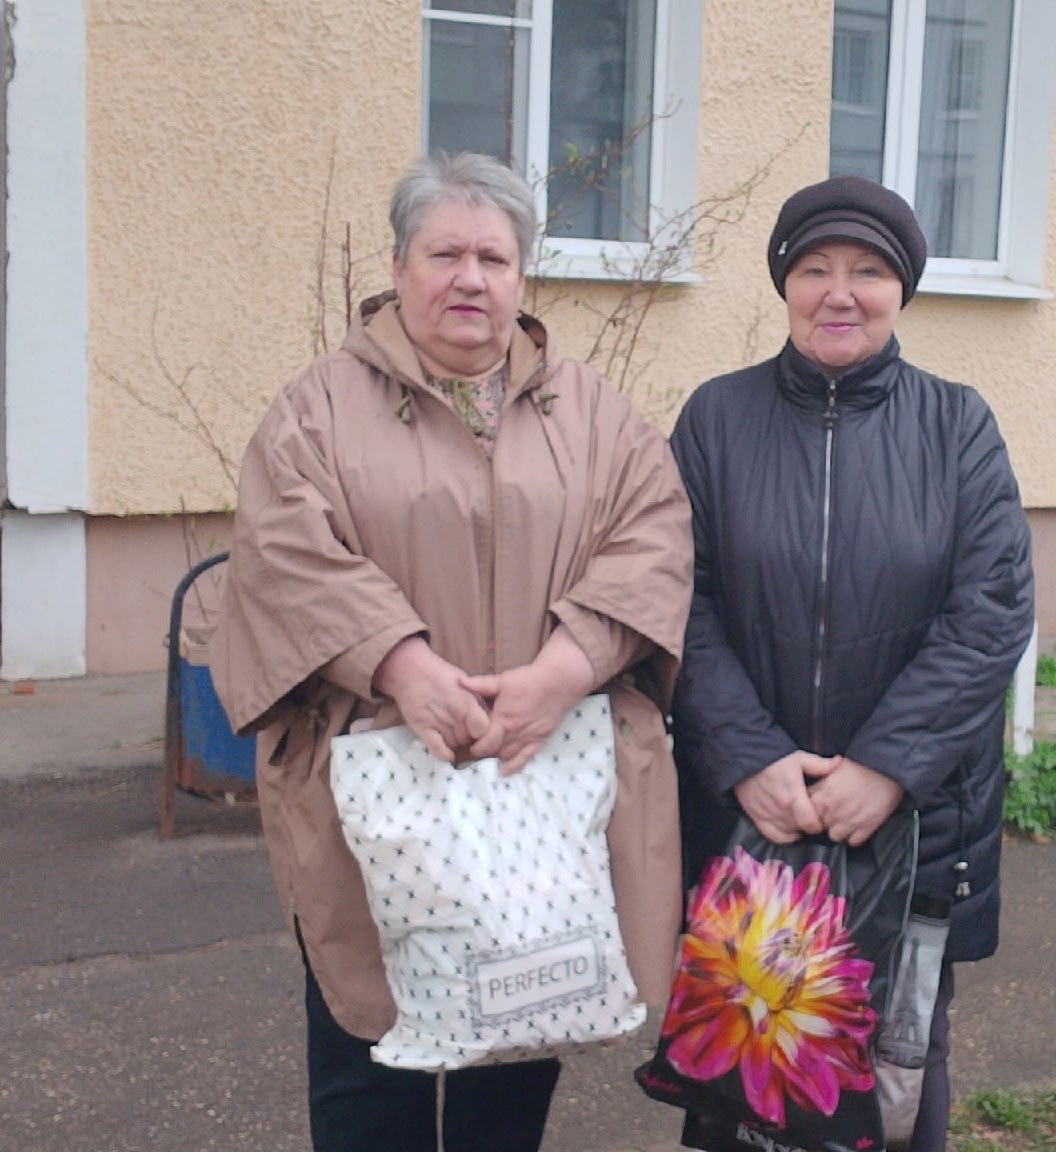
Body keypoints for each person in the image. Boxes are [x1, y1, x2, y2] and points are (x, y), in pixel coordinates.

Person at [208, 151, 693, 1152]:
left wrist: (563, 671)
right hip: (374, 773)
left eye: (494, 258)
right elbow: (280, 554)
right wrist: (400, 664)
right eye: (445, 255)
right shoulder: (316, 410)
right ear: (400, 267)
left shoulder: (593, 413)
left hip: (541, 767)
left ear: (522, 276)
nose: (470, 279)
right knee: (368, 1045)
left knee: (519, 1036)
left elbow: (654, 540)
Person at [667, 175, 1035, 1152]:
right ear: (784, 286)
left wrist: (884, 768)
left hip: (912, 824)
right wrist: (750, 757)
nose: (840, 292)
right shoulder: (716, 420)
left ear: (901, 288)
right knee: (744, 1073)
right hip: (756, 820)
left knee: (895, 1076)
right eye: (815, 270)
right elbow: (676, 601)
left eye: (868, 271)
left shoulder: (957, 426)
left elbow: (991, 610)